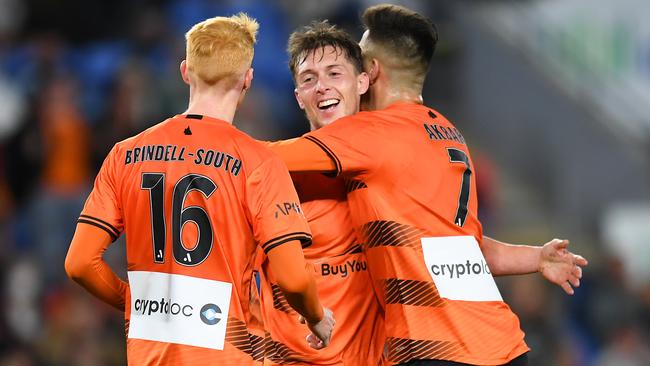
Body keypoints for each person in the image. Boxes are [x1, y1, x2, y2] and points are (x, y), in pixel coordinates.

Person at [266, 4, 587, 366]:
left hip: (436, 349)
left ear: (369, 73)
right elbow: (460, 247)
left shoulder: (370, 134)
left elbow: (260, 159)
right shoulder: (449, 135)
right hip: (504, 346)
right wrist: (535, 257)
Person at [64, 13, 334, 366]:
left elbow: (80, 263)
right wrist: (316, 316)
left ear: (185, 71)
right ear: (247, 80)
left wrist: (134, 302)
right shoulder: (258, 162)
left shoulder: (125, 153)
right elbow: (294, 279)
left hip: (151, 354)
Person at [258, 21, 384, 366]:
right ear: (298, 97)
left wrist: (534, 259)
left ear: (362, 82)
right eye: (309, 79)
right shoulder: (270, 176)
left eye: (333, 73)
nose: (321, 87)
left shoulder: (392, 162)